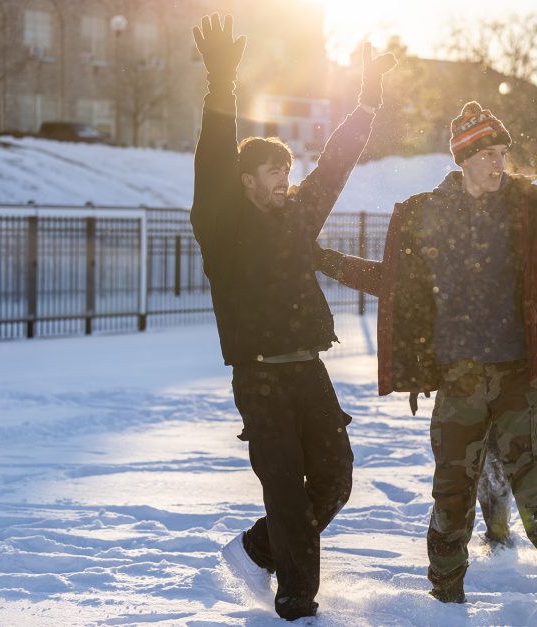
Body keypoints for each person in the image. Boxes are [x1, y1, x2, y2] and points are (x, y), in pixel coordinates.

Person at [315, 101, 537, 619]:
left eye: (502, 155)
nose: (499, 165)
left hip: (521, 375)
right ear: (464, 158)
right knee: (452, 491)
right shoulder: (425, 213)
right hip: (458, 378)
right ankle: (446, 596)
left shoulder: (528, 204)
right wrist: (326, 261)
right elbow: (394, 284)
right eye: (489, 155)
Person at [189, 14, 395, 621]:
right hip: (259, 377)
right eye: (273, 170)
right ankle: (297, 602)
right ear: (245, 180)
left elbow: (335, 163)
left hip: (308, 371)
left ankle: (257, 548)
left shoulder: (297, 218)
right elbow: (212, 162)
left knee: (333, 481)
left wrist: (368, 100)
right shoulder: (222, 226)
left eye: (287, 168)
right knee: (285, 492)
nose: (287, 177)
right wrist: (221, 80)